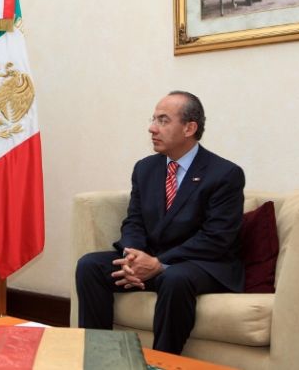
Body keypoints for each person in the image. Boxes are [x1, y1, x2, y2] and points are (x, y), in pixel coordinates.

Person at [75, 91, 244, 355]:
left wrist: (159, 264)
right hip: (150, 260)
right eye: (153, 119)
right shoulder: (146, 168)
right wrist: (132, 255)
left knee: (174, 278)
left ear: (189, 128)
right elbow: (134, 221)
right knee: (90, 266)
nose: (152, 128)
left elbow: (216, 238)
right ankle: (100, 356)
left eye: (163, 120)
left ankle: (163, 360)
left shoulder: (224, 174)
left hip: (201, 263)